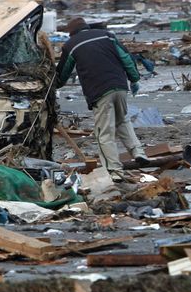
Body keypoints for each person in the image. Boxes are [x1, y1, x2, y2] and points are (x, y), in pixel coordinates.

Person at [55, 17, 147, 180]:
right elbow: (126, 58)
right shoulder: (107, 35)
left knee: (104, 132)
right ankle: (138, 153)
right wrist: (134, 79)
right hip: (120, 86)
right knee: (123, 121)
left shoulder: (71, 45)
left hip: (99, 91)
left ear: (71, 33)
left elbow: (63, 74)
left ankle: (114, 171)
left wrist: (53, 84)